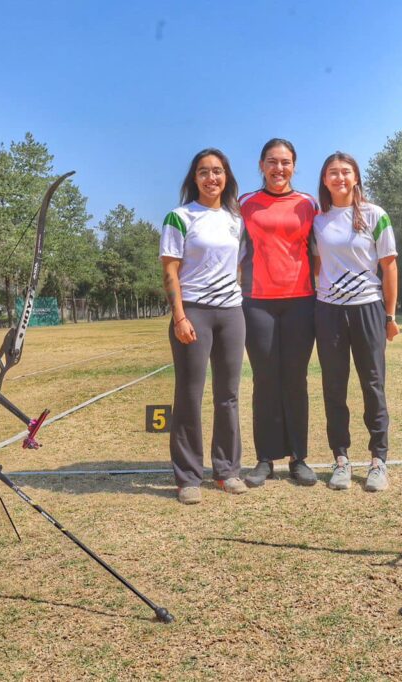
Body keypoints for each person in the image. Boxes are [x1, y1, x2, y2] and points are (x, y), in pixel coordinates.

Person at [160, 148, 246, 505]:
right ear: (193, 178)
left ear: (226, 176)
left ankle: (226, 470)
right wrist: (180, 316)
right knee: (189, 396)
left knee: (228, 397)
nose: (211, 178)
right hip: (193, 312)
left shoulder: (235, 219)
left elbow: (238, 267)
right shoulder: (180, 217)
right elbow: (169, 271)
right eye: (203, 172)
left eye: (217, 171)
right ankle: (188, 476)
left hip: (231, 313)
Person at [311, 152, 399, 492]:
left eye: (346, 172)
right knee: (334, 387)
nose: (340, 178)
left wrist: (390, 315)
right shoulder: (318, 220)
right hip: (329, 312)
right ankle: (341, 460)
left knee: (373, 385)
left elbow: (389, 266)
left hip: (368, 309)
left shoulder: (375, 215)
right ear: (324, 180)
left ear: (356, 177)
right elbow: (317, 266)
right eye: (332, 173)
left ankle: (378, 460)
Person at [239, 138, 319, 487]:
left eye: (286, 162)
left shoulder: (308, 204)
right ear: (261, 165)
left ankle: (298, 458)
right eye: (272, 162)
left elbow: (318, 253)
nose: (279, 168)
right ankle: (265, 459)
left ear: (294, 166)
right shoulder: (244, 204)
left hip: (302, 301)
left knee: (296, 380)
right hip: (257, 302)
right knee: (264, 380)